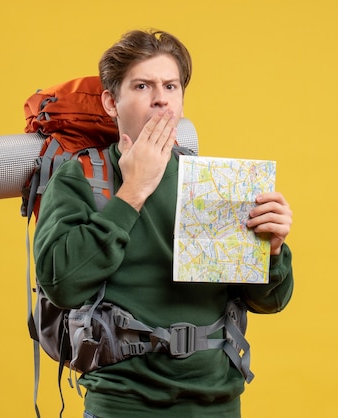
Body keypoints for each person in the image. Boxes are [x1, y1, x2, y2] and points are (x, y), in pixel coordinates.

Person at [34, 29, 295, 418]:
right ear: (111, 102)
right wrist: (132, 192)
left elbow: (271, 301)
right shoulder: (82, 177)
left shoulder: (214, 182)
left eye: (170, 86)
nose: (160, 97)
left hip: (217, 405)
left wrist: (272, 251)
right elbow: (61, 285)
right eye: (142, 85)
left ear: (181, 101)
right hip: (122, 405)